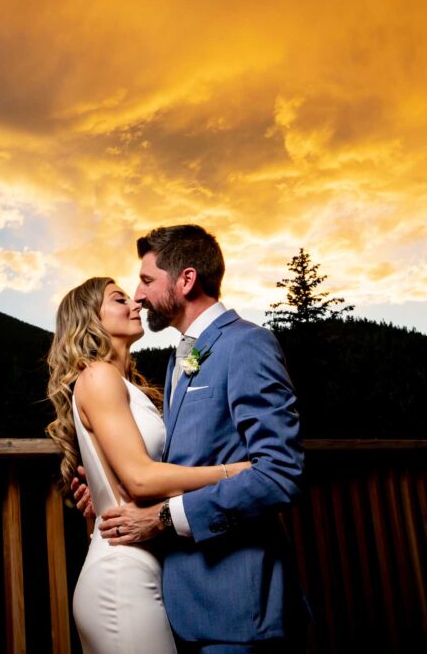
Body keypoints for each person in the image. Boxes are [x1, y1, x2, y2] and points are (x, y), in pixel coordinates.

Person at [73, 224, 313, 653]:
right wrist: (106, 482)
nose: (139, 295)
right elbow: (171, 458)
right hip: (183, 601)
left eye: (146, 281)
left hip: (240, 605)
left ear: (185, 280)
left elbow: (280, 473)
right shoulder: (179, 360)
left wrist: (165, 517)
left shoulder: (246, 344)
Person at [46, 276, 252, 654]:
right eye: (118, 299)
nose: (135, 304)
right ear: (88, 318)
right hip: (121, 573)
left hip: (148, 563)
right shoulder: (98, 375)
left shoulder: (127, 386)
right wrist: (235, 472)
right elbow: (140, 480)